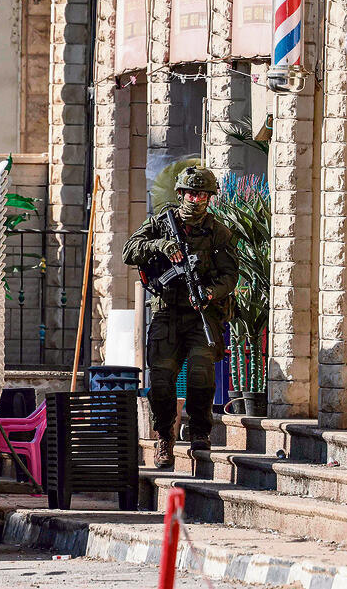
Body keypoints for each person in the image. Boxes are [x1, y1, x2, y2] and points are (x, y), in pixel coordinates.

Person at [123, 166, 237, 469]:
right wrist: (160, 245)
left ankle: (200, 432)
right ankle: (165, 437)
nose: (195, 200)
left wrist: (209, 293)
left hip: (201, 314)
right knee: (161, 381)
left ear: (209, 198)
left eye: (202, 195)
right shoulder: (160, 224)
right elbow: (129, 251)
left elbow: (229, 276)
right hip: (167, 313)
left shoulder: (218, 232)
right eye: (190, 193)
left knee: (201, 374)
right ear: (180, 194)